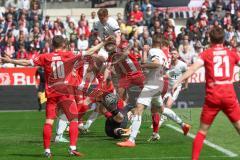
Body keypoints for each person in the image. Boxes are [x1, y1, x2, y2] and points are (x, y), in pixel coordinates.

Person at [0, 35, 110, 158]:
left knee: (49, 121)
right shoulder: (69, 54)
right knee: (73, 119)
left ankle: (47, 150)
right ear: (63, 44)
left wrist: (10, 61)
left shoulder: (45, 57)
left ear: (52, 45)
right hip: (66, 92)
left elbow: (26, 62)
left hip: (52, 94)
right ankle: (72, 148)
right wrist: (104, 42)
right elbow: (89, 51)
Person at [172, 26, 240, 160]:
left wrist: (178, 81)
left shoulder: (206, 53)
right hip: (228, 95)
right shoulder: (231, 53)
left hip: (213, 96)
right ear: (224, 39)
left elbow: (192, 69)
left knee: (202, 131)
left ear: (210, 38)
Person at [117, 36, 191, 147]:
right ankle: (183, 125)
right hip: (158, 83)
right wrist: (144, 53)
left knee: (139, 108)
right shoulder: (162, 53)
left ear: (152, 43)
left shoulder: (154, 51)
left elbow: (156, 64)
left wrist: (143, 64)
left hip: (152, 83)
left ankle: (131, 140)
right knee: (161, 109)